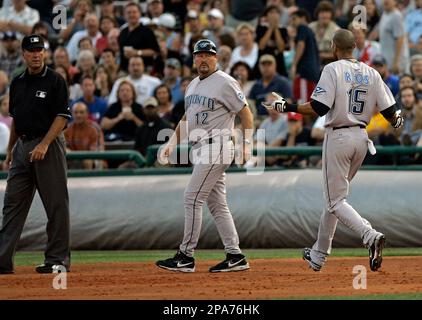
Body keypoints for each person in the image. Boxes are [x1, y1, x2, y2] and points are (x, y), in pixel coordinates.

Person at [262, 29, 404, 272]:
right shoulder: (371, 72)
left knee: (335, 200)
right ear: (354, 48)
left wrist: (285, 105)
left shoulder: (332, 68)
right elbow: (392, 113)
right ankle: (318, 255)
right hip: (361, 137)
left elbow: (318, 107)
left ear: (334, 47)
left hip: (339, 136)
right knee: (334, 200)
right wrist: (398, 121)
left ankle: (369, 235)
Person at [155, 39, 254, 273]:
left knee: (191, 198)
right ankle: (235, 255)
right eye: (198, 55)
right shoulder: (191, 86)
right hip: (199, 147)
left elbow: (246, 114)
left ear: (216, 58)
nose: (203, 59)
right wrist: (170, 143)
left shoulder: (226, 82)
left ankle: (185, 256)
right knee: (218, 205)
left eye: (208, 55)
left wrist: (247, 144)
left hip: (217, 145)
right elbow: (186, 120)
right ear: (193, 59)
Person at [0, 34, 71, 274]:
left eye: (40, 50)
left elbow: (62, 117)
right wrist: (10, 151)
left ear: (45, 53)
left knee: (56, 204)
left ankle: (57, 259)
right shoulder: (17, 81)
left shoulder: (55, 80)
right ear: (23, 54)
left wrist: (45, 144)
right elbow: (16, 119)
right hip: (22, 145)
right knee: (12, 204)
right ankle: (2, 261)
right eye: (31, 50)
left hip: (48, 145)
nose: (36, 54)